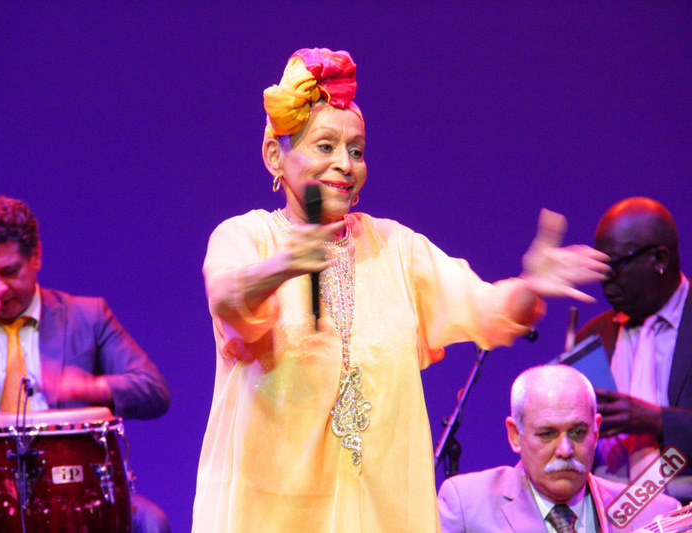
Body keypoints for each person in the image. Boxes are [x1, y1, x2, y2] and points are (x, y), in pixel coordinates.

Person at [192, 47, 609, 532]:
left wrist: (528, 286)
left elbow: (489, 311)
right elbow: (229, 299)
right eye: (325, 147)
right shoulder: (247, 237)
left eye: (356, 151)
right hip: (270, 513)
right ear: (274, 157)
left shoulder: (396, 248)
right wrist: (285, 264)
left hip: (381, 514)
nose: (345, 164)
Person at [0, 196, 172, 533]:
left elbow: (154, 391)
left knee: (149, 522)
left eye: (10, 272)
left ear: (36, 256)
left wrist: (89, 387)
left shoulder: (87, 317)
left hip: (73, 488)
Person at [437, 365, 679, 532]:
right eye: (547, 434)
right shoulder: (466, 506)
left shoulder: (656, 513)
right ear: (515, 435)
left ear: (596, 431)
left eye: (578, 432)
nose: (565, 450)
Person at [576, 197, 692, 504]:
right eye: (600, 269)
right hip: (607, 511)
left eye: (614, 267)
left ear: (660, 258)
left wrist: (656, 420)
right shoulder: (593, 337)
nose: (605, 282)